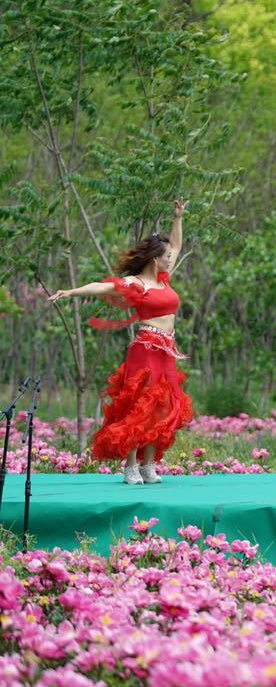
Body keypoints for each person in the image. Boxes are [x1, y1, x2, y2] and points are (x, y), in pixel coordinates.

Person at [48, 201, 194, 484]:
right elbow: (103, 286)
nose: (170, 258)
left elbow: (175, 244)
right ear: (155, 259)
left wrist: (178, 218)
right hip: (146, 349)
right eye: (165, 257)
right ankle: (130, 466)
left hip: (166, 350)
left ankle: (148, 465)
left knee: (161, 406)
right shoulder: (137, 283)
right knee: (139, 404)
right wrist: (71, 291)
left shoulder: (164, 279)